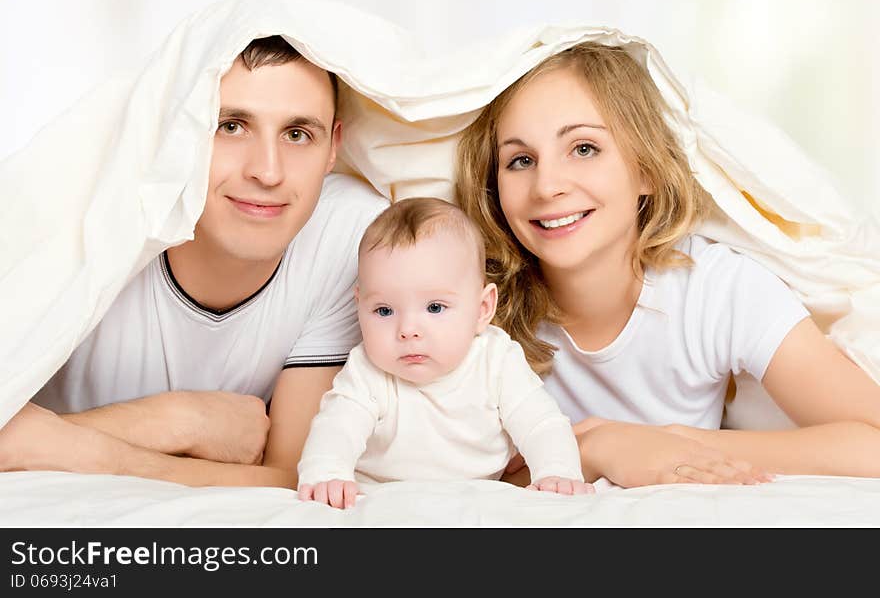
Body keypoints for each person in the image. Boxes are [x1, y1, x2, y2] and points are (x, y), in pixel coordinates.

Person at [455, 41, 880, 489]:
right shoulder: (477, 310)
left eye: (583, 148)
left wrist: (671, 442)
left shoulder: (715, 289)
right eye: (520, 160)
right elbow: (456, 471)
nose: (547, 185)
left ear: (647, 171)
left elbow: (872, 437)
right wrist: (594, 449)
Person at [0, 36, 388, 488]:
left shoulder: (352, 237)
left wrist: (72, 447)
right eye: (231, 126)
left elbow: (295, 479)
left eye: (297, 134)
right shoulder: (85, 216)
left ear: (333, 147)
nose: (267, 171)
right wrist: (180, 420)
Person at [296, 197, 591, 508]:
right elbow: (338, 426)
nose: (408, 330)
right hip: (382, 498)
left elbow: (540, 422)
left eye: (435, 307)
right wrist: (326, 473)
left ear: (482, 309)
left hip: (478, 499)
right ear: (359, 307)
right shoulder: (369, 369)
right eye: (384, 310)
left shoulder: (496, 359)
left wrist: (557, 472)